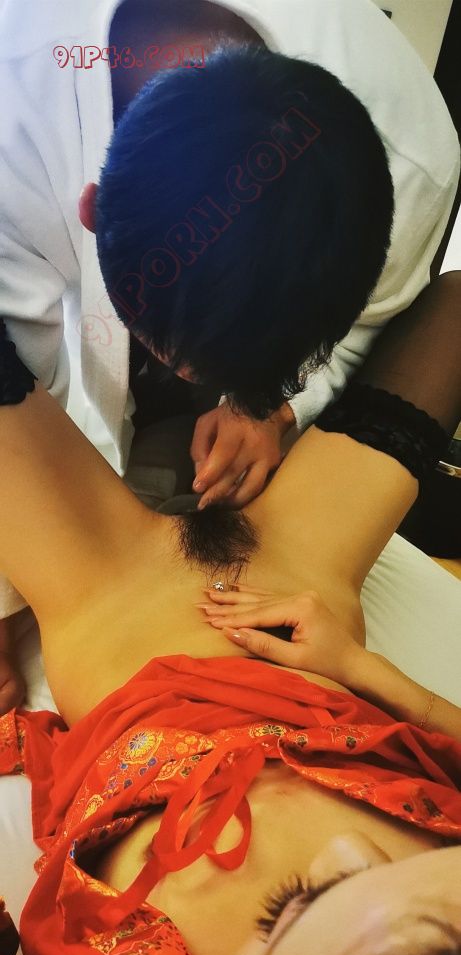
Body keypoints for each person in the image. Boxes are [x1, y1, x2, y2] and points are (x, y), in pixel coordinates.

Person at [0, 270, 460, 955]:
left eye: (287, 913)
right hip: (302, 595)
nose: (344, 845)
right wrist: (360, 669)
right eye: (421, 863)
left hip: (109, 607)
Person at [0, 0, 459, 636]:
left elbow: (380, 320)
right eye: (171, 351)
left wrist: (270, 406)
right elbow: (22, 393)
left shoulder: (412, 167)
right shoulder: (16, 112)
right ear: (92, 210)